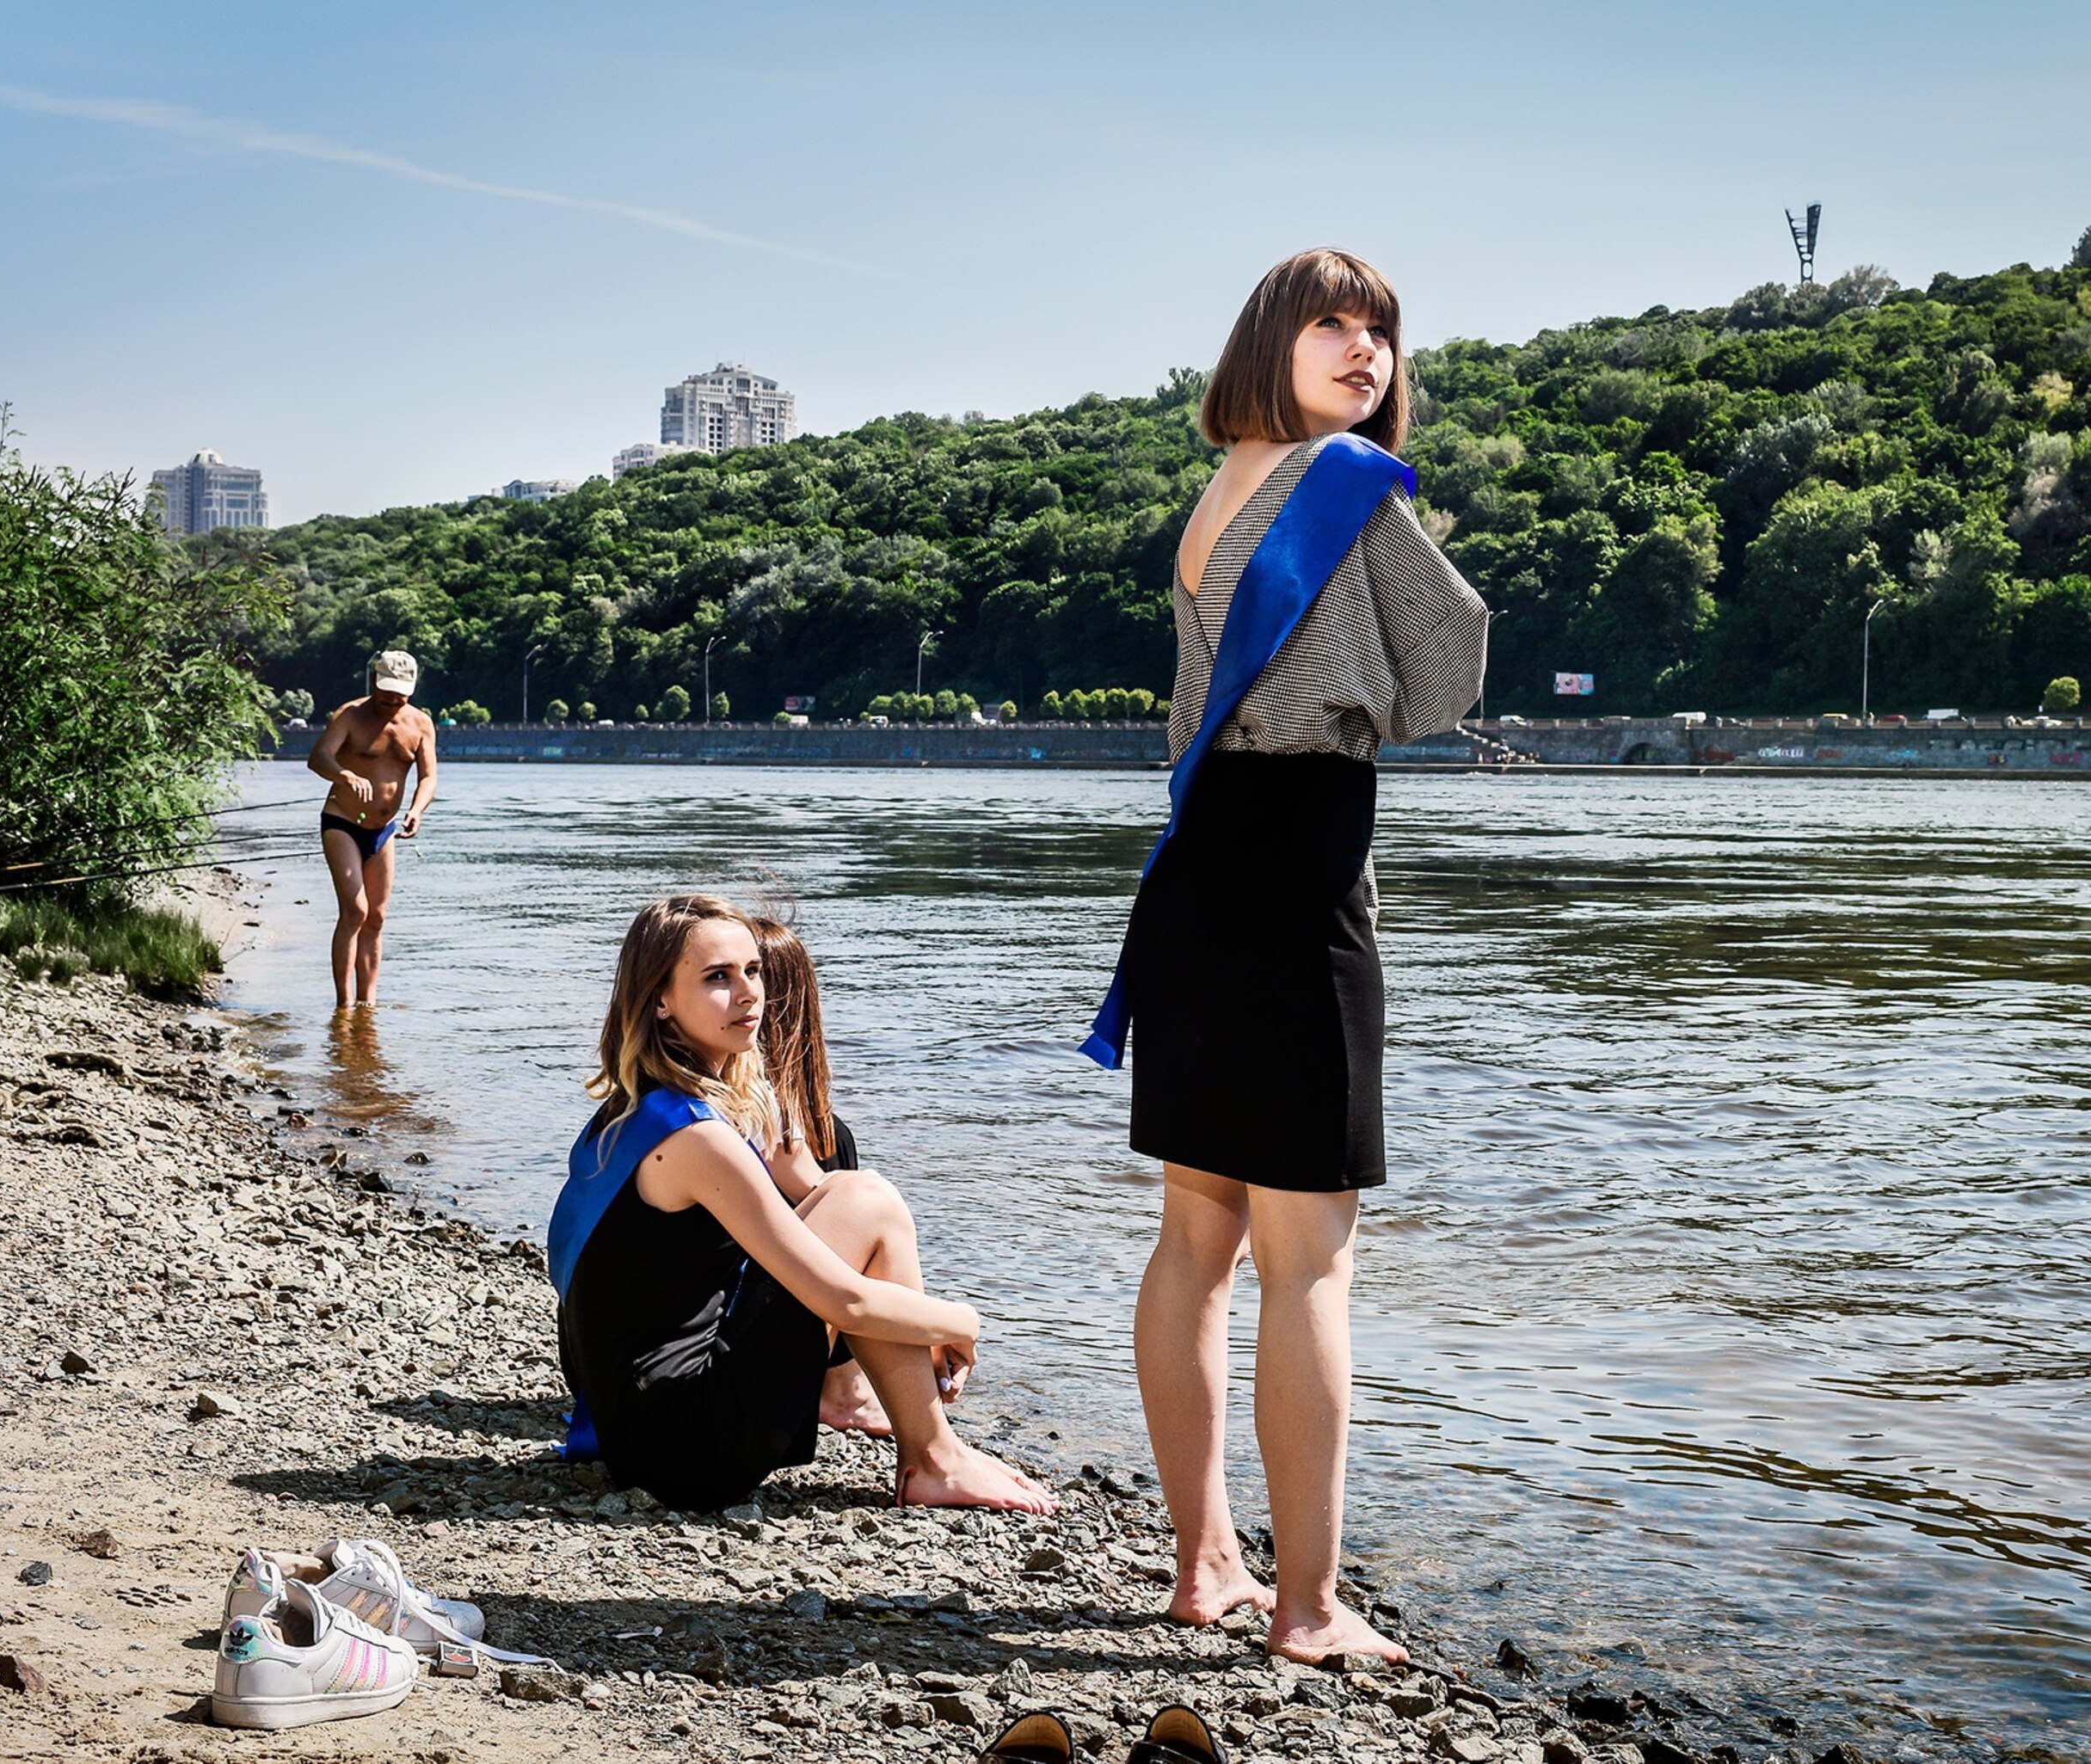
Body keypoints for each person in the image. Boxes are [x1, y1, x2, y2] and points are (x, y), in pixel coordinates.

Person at [1085, 248, 1485, 1663]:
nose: (1364, 346)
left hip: (1198, 868)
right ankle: (1308, 1608)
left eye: (1379, 328)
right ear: (1272, 339)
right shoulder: (1337, 485)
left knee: (1196, 1235)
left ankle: (1204, 1566)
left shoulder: (1214, 494)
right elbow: (1452, 666)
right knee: (1308, 1259)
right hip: (1298, 871)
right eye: (1332, 322)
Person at [547, 894, 1052, 1515]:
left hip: (631, 1431)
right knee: (871, 1198)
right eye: (717, 977)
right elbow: (845, 1298)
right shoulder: (695, 1139)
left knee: (854, 1194)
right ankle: (935, 1458)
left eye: (752, 970)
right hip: (688, 1452)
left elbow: (819, 1195)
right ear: (659, 999)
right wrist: (959, 1323)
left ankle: (919, 1440)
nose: (749, 992)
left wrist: (907, 1317)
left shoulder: (639, 1107)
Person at [752, 914, 894, 1440]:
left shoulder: (667, 1108)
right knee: (862, 1201)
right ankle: (845, 1390)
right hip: (704, 1374)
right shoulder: (801, 1132)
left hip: (602, 1363)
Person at [305, 650, 439, 1007]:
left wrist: (417, 809)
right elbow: (318, 757)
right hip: (342, 821)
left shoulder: (421, 724)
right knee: (356, 911)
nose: (393, 700)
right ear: (373, 682)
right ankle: (344, 1005)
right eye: (387, 692)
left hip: (384, 830)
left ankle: (368, 1005)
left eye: (401, 694)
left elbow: (428, 776)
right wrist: (344, 774)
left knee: (376, 918)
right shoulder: (350, 715)